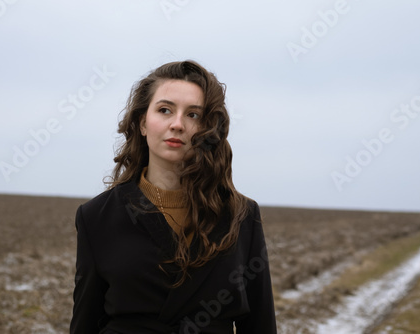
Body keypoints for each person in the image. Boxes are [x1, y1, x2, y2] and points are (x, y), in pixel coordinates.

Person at [70, 60, 277, 334]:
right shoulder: (97, 216)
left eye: (193, 115)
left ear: (208, 128)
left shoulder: (241, 215)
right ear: (143, 123)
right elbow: (86, 322)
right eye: (165, 110)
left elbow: (260, 325)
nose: (177, 124)